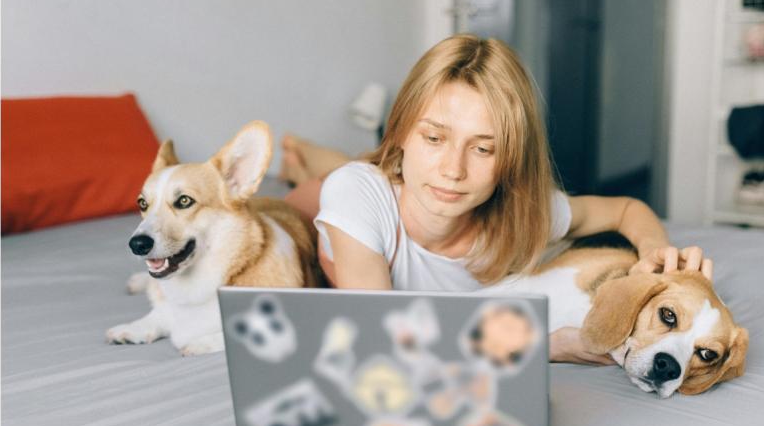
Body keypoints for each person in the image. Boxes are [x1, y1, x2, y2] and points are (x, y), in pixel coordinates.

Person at [279, 34, 713, 366]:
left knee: (367, 170)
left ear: (510, 161)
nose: (454, 169)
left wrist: (656, 252)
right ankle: (303, 158)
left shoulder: (524, 214)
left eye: (483, 149)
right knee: (333, 175)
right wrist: (549, 345)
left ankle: (313, 156)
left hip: (393, 183)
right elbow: (382, 342)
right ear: (400, 133)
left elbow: (625, 210)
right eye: (433, 137)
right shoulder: (356, 193)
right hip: (331, 218)